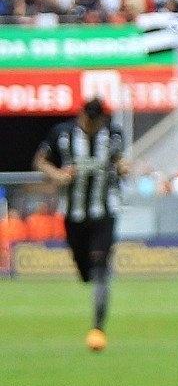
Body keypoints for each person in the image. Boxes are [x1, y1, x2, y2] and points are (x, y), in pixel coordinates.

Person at [33, 96, 128, 350]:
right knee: (84, 272)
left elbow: (118, 159)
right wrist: (58, 175)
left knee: (100, 270)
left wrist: (122, 167)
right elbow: (40, 160)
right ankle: (92, 271)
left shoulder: (112, 134)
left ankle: (98, 327)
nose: (96, 126)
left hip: (103, 213)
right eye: (92, 121)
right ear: (83, 116)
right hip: (73, 215)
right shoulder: (61, 134)